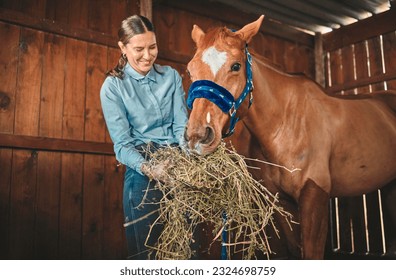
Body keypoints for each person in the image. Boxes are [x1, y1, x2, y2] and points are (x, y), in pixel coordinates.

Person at [100, 15, 188, 259]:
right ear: (123, 48)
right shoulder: (113, 87)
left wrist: (190, 160)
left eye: (152, 47)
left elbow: (181, 127)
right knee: (147, 256)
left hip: (178, 164)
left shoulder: (171, 77)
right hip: (143, 168)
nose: (147, 56)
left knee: (189, 251)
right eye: (139, 49)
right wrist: (150, 169)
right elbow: (122, 146)